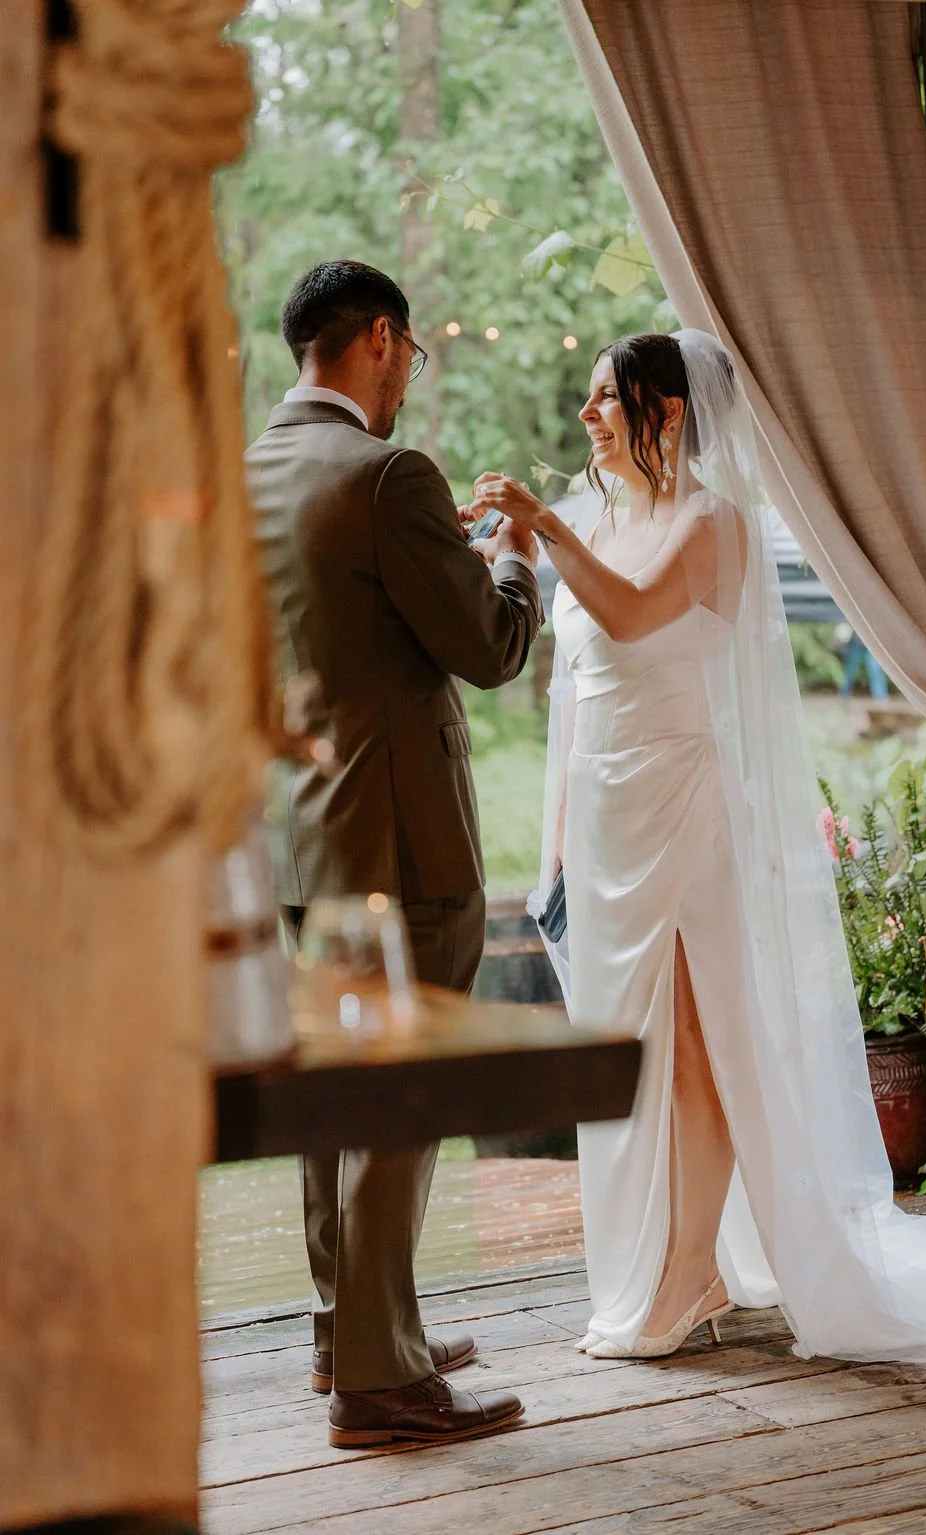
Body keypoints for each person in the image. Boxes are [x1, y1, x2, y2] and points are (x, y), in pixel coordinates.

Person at [465, 329, 926, 1368]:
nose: (586, 416)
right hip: (605, 823)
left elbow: (631, 616)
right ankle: (674, 1262)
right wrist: (555, 847)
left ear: (668, 411)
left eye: (605, 397)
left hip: (679, 808)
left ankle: (690, 1274)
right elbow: (574, 690)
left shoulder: (713, 524)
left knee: (694, 1047)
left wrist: (545, 524)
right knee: (627, 1051)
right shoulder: (603, 517)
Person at [246, 260, 543, 1447]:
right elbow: (489, 647)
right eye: (410, 353)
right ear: (379, 338)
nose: (408, 375)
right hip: (399, 846)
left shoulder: (249, 470)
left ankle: (352, 1330)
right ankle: (379, 1382)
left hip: (297, 840)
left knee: (334, 1095)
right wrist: (514, 554)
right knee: (401, 1096)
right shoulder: (388, 473)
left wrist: (439, 550)